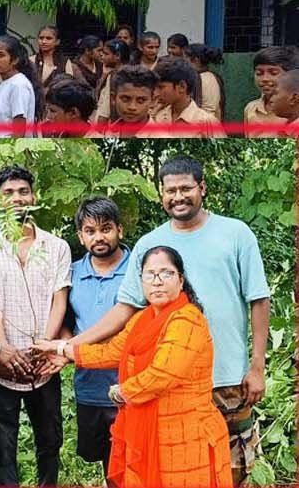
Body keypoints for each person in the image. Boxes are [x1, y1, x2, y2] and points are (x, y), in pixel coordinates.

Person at [72, 156, 270, 487]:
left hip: (227, 377)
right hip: (168, 390)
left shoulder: (235, 233)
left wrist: (257, 367)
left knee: (230, 469)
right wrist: (69, 347)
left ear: (202, 188)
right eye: (170, 190)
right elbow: (126, 310)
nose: (178, 196)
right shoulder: (150, 245)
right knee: (175, 472)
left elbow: (258, 299)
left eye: (185, 188)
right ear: (161, 194)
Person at [36, 247, 234, 487]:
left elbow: (163, 374)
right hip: (150, 431)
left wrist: (123, 392)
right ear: (141, 282)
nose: (157, 281)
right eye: (150, 274)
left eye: (166, 273)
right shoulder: (143, 318)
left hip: (187, 434)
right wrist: (62, 350)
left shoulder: (187, 319)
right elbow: (112, 351)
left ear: (180, 280)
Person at [0, 166, 71, 487]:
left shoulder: (57, 247)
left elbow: (60, 298)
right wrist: (3, 351)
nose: (17, 199)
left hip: (45, 361)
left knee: (50, 439)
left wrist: (47, 345)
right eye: (8, 193)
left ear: (34, 196)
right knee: (3, 444)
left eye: (23, 191)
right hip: (4, 364)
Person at [44, 196, 131, 484]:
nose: (99, 237)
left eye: (106, 228)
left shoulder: (138, 270)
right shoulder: (73, 273)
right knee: (108, 465)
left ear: (119, 229)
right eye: (90, 231)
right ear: (80, 236)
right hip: (89, 386)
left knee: (135, 462)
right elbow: (67, 321)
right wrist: (66, 349)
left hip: (131, 385)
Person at [152, 57, 225, 137]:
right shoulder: (157, 116)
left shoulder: (207, 123)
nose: (156, 93)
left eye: (161, 87)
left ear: (182, 87)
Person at [0, 35, 41, 137]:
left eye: (0, 55)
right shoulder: (4, 83)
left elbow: (19, 128)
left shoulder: (18, 85)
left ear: (15, 60)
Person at [244, 45, 299, 134]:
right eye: (259, 73)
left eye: (273, 73)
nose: (265, 79)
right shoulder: (251, 108)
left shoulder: (294, 109)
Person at [104, 65, 158, 137]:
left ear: (153, 101)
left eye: (141, 100)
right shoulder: (106, 133)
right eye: (125, 99)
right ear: (113, 98)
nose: (132, 107)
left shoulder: (161, 136)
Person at [93, 38, 137, 123]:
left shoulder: (115, 76)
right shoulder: (132, 72)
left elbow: (105, 109)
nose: (102, 56)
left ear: (117, 56)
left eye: (106, 54)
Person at [187, 43, 225, 119]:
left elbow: (195, 107)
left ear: (195, 60)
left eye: (185, 60)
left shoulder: (196, 79)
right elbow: (220, 106)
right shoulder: (215, 77)